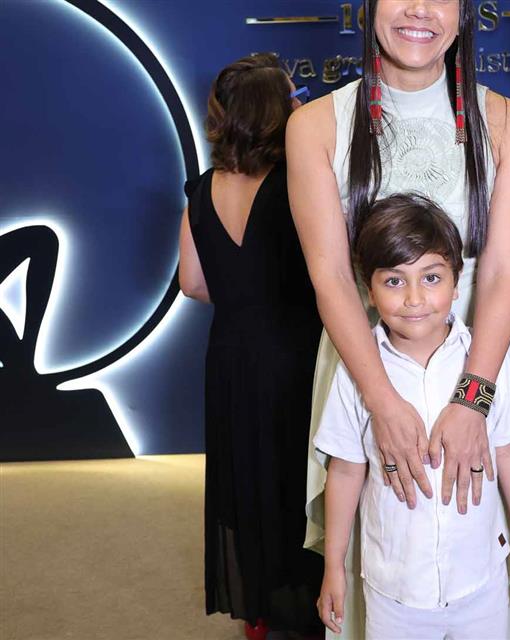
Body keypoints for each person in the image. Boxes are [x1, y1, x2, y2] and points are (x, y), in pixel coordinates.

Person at [287, 2, 510, 637]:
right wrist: (380, 400)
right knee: (381, 553)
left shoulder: (509, 122)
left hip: (481, 359)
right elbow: (331, 275)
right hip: (363, 364)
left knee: (481, 543)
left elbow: (504, 270)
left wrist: (474, 399)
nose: (419, 11)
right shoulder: (315, 126)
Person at [314, 194, 510, 639]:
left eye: (431, 277)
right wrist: (334, 564)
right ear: (369, 290)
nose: (414, 298)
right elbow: (344, 469)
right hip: (395, 589)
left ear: (456, 284)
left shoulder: (485, 364)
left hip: (480, 578)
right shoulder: (356, 374)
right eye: (394, 281)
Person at [179, 53, 323, 639]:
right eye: (293, 96)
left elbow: (192, 282)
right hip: (295, 351)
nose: (300, 103)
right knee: (298, 477)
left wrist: (243, 296)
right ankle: (306, 607)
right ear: (275, 112)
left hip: (231, 354)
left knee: (246, 476)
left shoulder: (200, 189)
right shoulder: (298, 184)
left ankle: (259, 608)